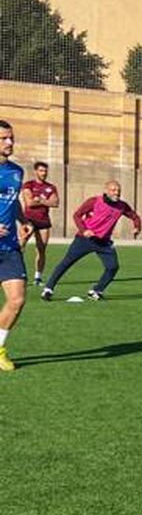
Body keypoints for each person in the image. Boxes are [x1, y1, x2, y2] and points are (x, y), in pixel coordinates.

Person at [40, 179, 141, 301]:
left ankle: (96, 291)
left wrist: (137, 227)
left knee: (113, 267)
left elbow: (135, 216)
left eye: (118, 190)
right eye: (113, 190)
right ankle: (48, 289)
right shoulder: (94, 201)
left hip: (104, 243)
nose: (116, 193)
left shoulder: (122, 206)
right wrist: (84, 230)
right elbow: (77, 215)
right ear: (106, 191)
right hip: (85, 239)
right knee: (66, 263)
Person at [0, 122, 26, 373]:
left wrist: (23, 220)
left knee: (17, 300)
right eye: (4, 138)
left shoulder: (17, 171)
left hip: (8, 246)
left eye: (11, 138)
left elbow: (13, 200)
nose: (9, 142)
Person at [20, 160, 59, 286]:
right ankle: (19, 274)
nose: (44, 173)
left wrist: (40, 200)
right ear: (36, 171)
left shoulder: (51, 187)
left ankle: (38, 277)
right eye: (41, 171)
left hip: (44, 221)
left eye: (45, 171)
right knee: (21, 246)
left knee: (41, 249)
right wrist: (45, 201)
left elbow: (55, 203)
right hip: (28, 220)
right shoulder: (28, 185)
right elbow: (29, 203)